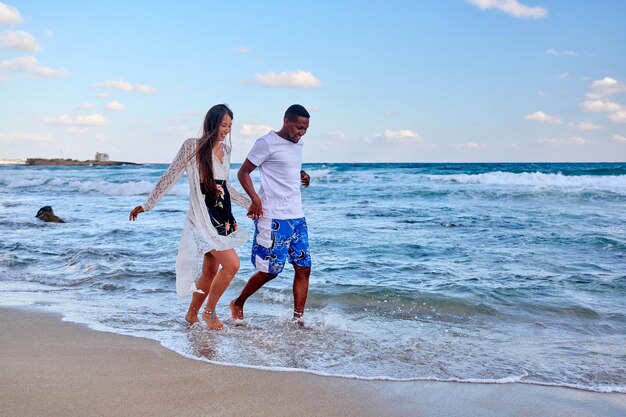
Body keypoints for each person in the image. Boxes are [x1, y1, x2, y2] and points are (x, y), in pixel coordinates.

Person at [129, 104, 250, 330]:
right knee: (232, 265)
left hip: (222, 218)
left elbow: (226, 188)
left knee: (210, 270)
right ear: (212, 123)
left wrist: (251, 204)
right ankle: (209, 312)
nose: (227, 130)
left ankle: (191, 314)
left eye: (230, 126)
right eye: (224, 125)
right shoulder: (191, 147)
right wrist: (148, 204)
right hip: (202, 220)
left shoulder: (225, 151)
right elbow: (170, 176)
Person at [229, 104, 312, 325]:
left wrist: (301, 175)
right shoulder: (266, 143)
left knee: (304, 268)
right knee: (270, 271)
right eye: (298, 127)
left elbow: (287, 170)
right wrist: (256, 200)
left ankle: (298, 320)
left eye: (305, 129)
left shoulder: (298, 144)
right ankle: (238, 302)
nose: (301, 133)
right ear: (286, 121)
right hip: (273, 216)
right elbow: (243, 172)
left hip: (297, 216)